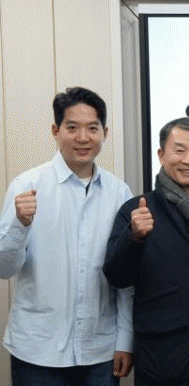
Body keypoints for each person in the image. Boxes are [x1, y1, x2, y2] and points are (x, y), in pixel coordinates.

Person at [0, 87, 134, 385]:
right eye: (72, 128)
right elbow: (4, 268)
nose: (83, 138)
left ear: (105, 133)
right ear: (55, 131)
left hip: (99, 350)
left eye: (92, 128)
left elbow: (125, 274)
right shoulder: (27, 185)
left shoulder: (119, 192)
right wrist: (20, 224)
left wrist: (125, 339)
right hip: (38, 350)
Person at [103, 117, 189, 385]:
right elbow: (116, 276)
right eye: (179, 150)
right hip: (162, 361)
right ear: (161, 155)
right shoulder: (136, 210)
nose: (188, 160)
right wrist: (134, 237)